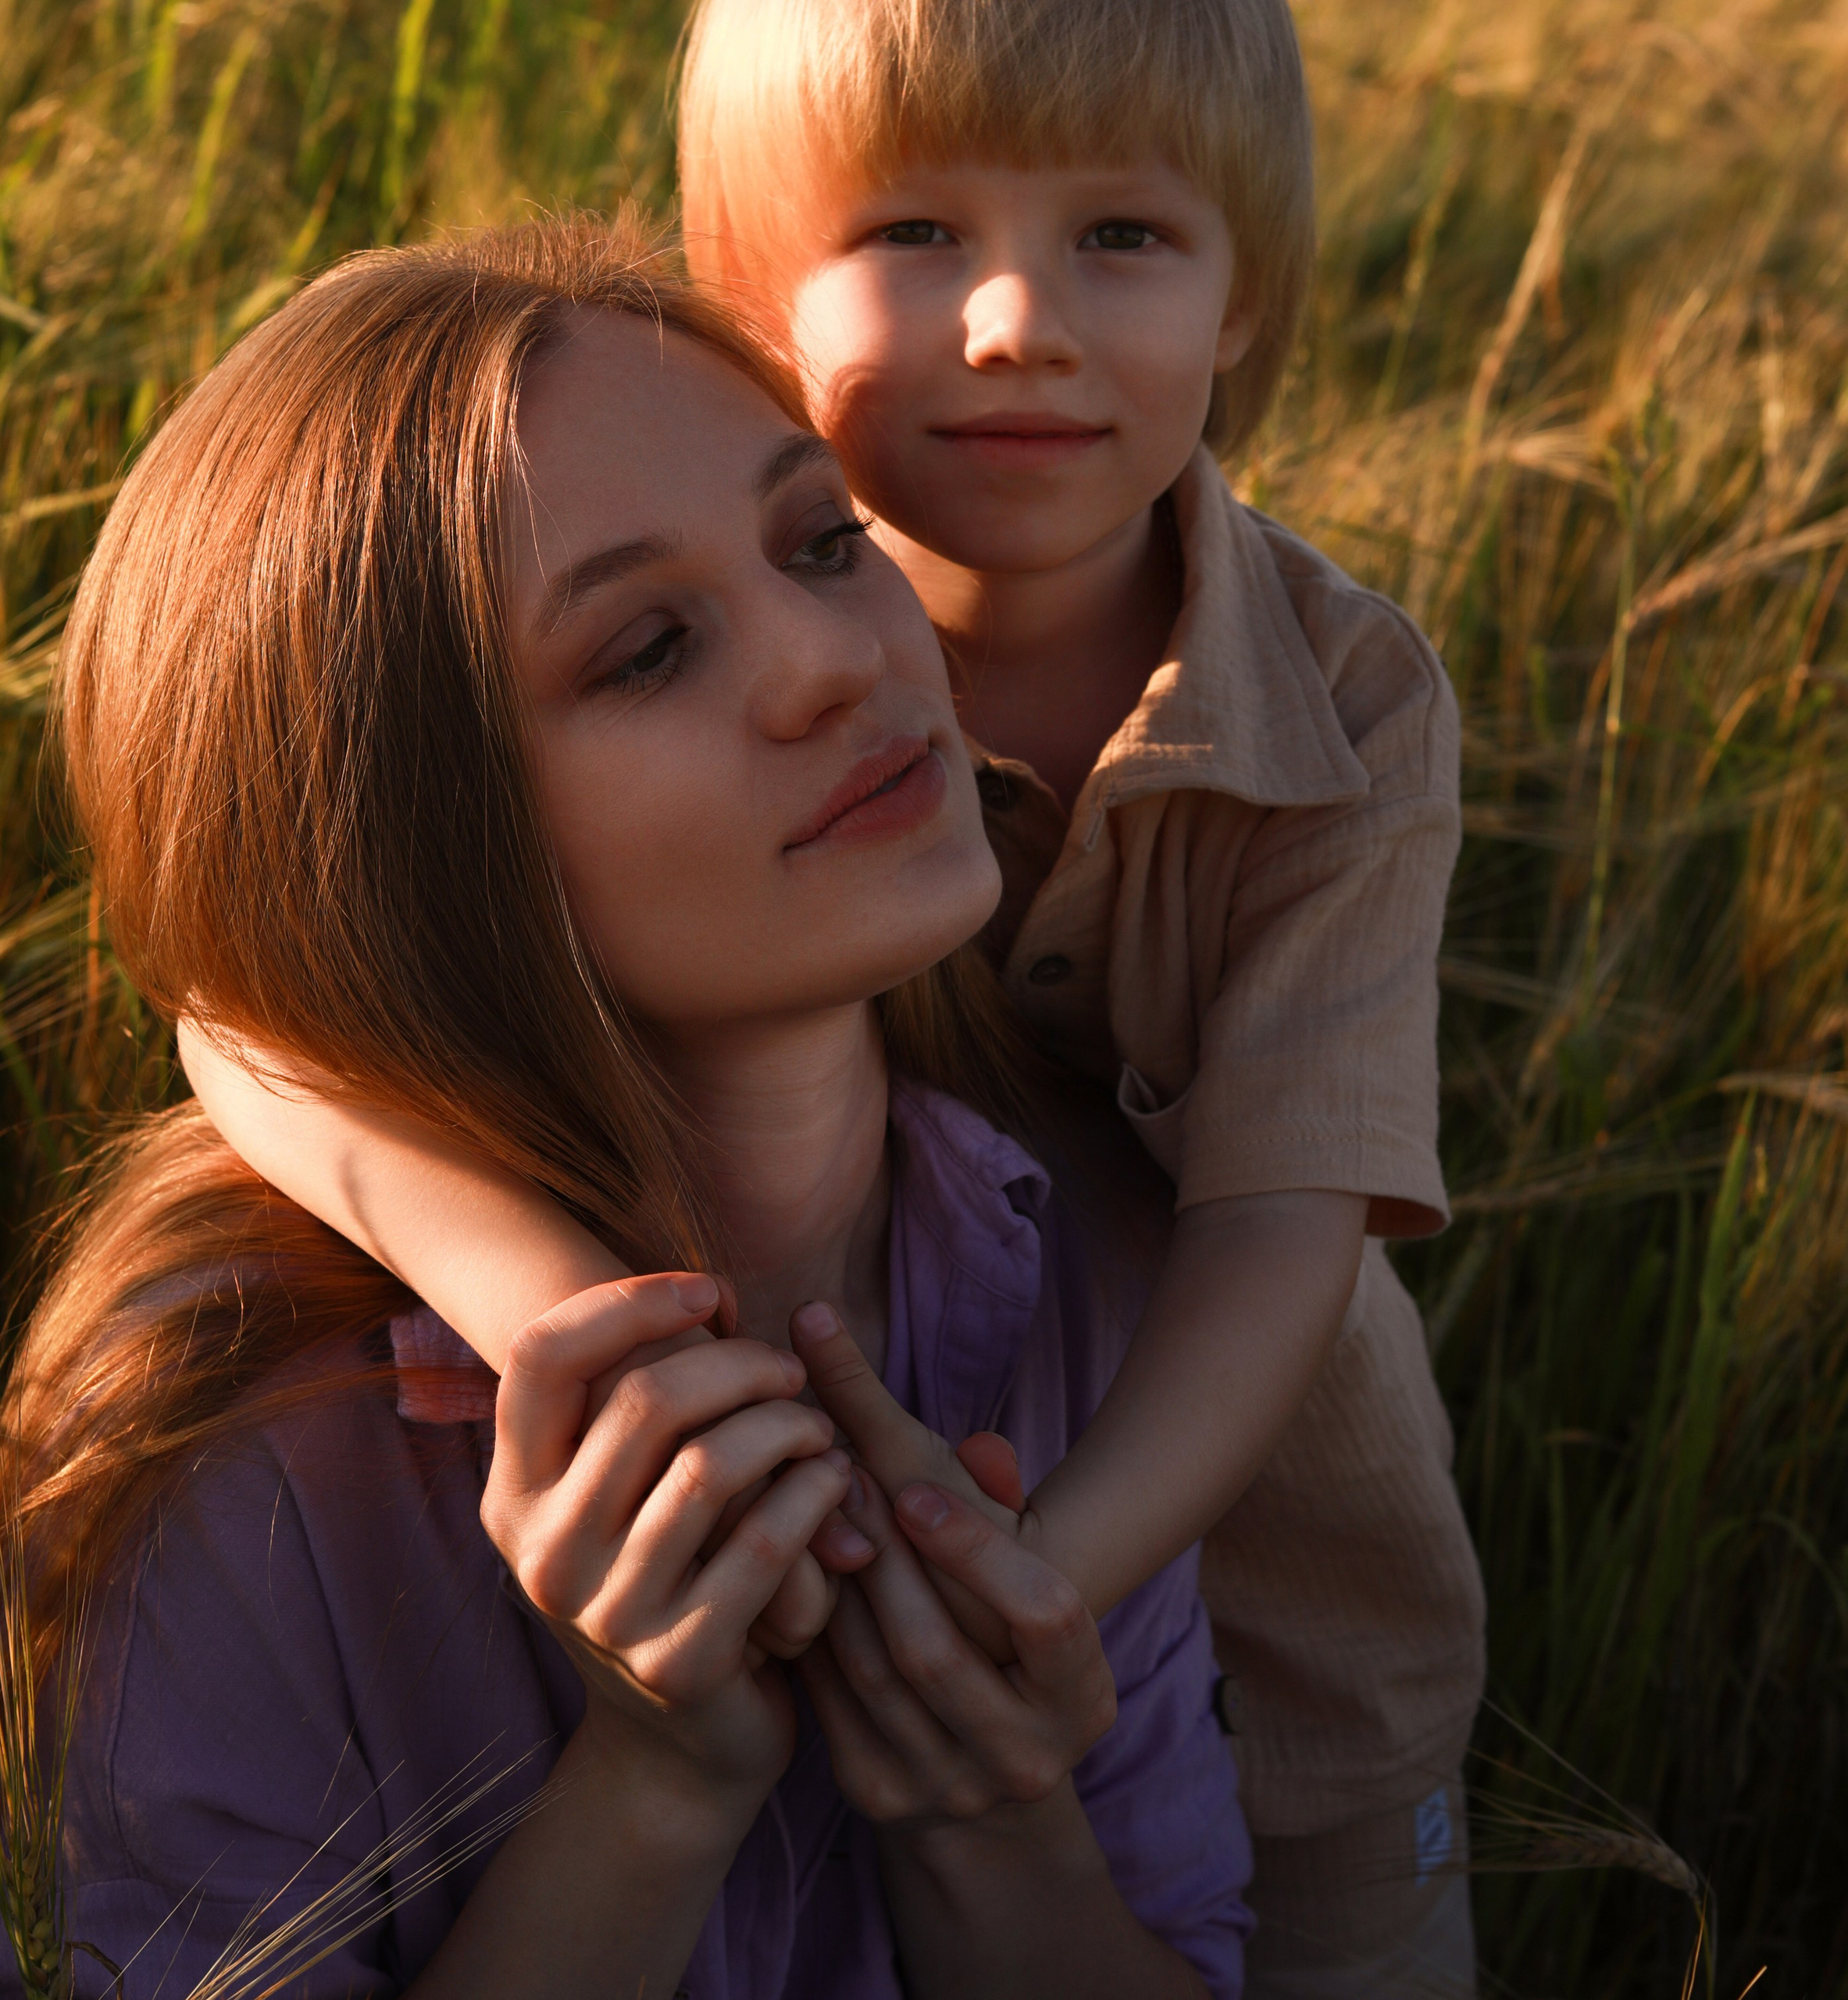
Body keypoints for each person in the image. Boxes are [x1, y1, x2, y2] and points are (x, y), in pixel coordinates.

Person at [180, 1, 1489, 1990]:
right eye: (911, 234)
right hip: (857, 1348)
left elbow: (1280, 1216)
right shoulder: (768, 597)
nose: (1012, 324)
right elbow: (265, 1006)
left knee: (1333, 1903)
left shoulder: (1350, 701)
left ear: (1248, 296)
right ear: (749, 306)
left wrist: (1019, 1579)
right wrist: (571, 1331)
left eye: (1123, 237)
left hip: (1244, 1457)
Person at [6, 215, 1251, 2000]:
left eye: (825, 541)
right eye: (647, 649)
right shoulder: (222, 1441)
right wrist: (660, 1785)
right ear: (405, 852)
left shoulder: (1083, 1255)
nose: (836, 657)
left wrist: (989, 1813)